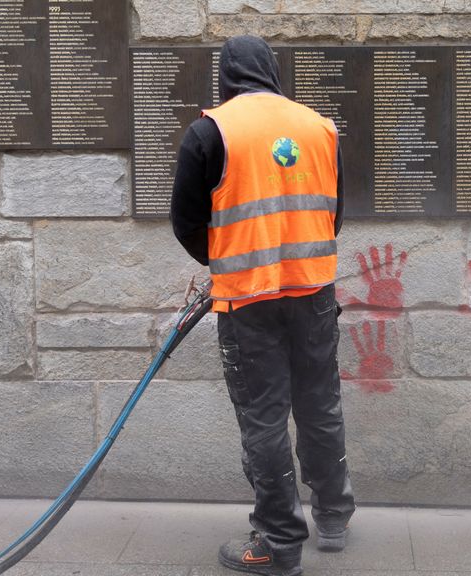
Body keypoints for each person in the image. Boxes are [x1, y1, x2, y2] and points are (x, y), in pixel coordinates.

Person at [169, 35, 355, 576]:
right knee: (320, 406)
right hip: (314, 293)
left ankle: (278, 542)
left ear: (226, 76)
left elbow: (185, 221)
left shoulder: (210, 131)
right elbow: (333, 214)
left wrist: (225, 260)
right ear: (272, 71)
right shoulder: (319, 128)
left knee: (264, 419)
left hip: (248, 303)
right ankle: (334, 517)